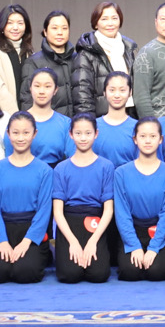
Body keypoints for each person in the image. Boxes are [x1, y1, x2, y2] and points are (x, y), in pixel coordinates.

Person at [0, 113, 54, 283]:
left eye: (26, 133)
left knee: (25, 273)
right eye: (15, 133)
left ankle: (42, 253)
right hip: (4, 228)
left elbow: (44, 211)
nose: (20, 138)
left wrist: (27, 241)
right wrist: (2, 241)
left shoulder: (44, 170)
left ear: (34, 134)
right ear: (8, 134)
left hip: (31, 229)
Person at [113, 118, 165, 281]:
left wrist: (154, 248)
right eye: (143, 136)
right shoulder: (121, 173)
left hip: (160, 231)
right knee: (130, 272)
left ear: (160, 139)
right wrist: (134, 245)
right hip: (133, 230)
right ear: (135, 139)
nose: (148, 141)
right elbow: (122, 214)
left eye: (153, 136)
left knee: (157, 272)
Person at [50, 113, 115, 284]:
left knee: (99, 275)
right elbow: (58, 211)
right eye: (78, 133)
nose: (83, 138)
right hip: (69, 223)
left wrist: (93, 241)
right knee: (69, 275)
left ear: (96, 134)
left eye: (88, 133)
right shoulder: (61, 168)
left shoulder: (106, 166)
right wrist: (72, 241)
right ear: (71, 135)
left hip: (95, 224)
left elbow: (108, 209)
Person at [72, 1, 140, 118]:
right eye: (104, 19)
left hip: (128, 117)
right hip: (101, 120)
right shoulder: (86, 53)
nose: (110, 23)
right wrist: (88, 123)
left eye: (114, 18)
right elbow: (82, 94)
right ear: (96, 23)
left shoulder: (129, 49)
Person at [0, 70, 72, 169]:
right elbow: (9, 157)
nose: (42, 91)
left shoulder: (65, 123)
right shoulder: (16, 122)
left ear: (55, 90)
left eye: (47, 86)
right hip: (21, 173)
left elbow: (73, 159)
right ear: (30, 88)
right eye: (37, 86)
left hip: (54, 175)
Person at [27, 10, 78, 114]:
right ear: (45, 32)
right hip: (48, 121)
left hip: (77, 122)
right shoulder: (33, 62)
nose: (60, 32)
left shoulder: (78, 59)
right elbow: (27, 99)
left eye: (64, 28)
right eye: (54, 28)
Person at [0, 5, 34, 112]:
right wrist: (16, 117)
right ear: (2, 26)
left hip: (31, 116)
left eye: (20, 23)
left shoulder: (30, 53)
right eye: (10, 23)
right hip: (6, 116)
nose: (15, 27)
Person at [91, 72, 140, 166]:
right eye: (112, 90)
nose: (117, 95)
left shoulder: (138, 128)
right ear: (104, 92)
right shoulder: (92, 126)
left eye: (122, 90)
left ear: (130, 92)